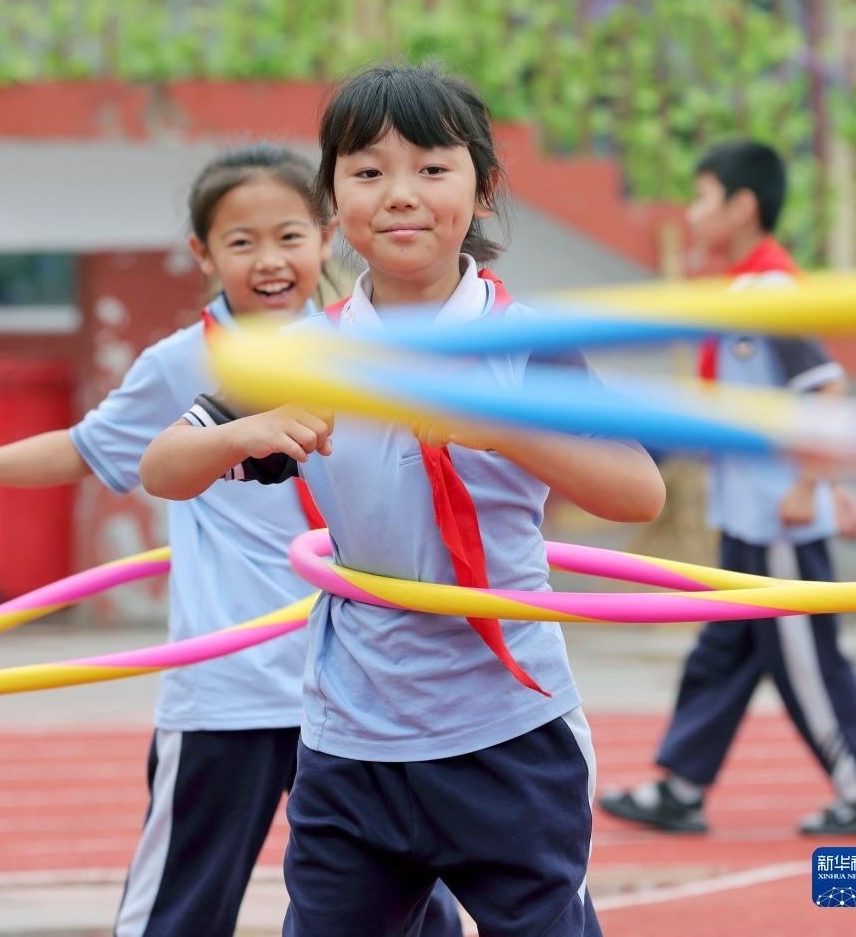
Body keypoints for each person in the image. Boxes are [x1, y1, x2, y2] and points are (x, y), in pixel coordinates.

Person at [139, 62, 666, 937]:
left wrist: (503, 428)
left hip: (508, 730)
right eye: (367, 171)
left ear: (482, 189)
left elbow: (638, 491)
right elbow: (162, 467)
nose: (399, 194)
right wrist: (247, 431)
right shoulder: (303, 353)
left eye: (431, 167)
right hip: (351, 738)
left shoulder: (522, 343)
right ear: (332, 198)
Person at [0, 142, 463, 937]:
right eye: (241, 241)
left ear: (325, 236)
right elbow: (88, 449)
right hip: (230, 687)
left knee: (401, 901)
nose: (269, 260)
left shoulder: (359, 348)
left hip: (354, 683)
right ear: (202, 253)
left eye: (289, 236)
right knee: (181, 908)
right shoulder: (177, 364)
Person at [599, 139, 856, 837]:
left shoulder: (770, 292)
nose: (691, 212)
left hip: (777, 522)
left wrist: (810, 487)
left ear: (741, 206)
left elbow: (824, 390)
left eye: (702, 196)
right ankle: (681, 786)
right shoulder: (743, 288)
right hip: (746, 517)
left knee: (805, 657)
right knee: (722, 653)